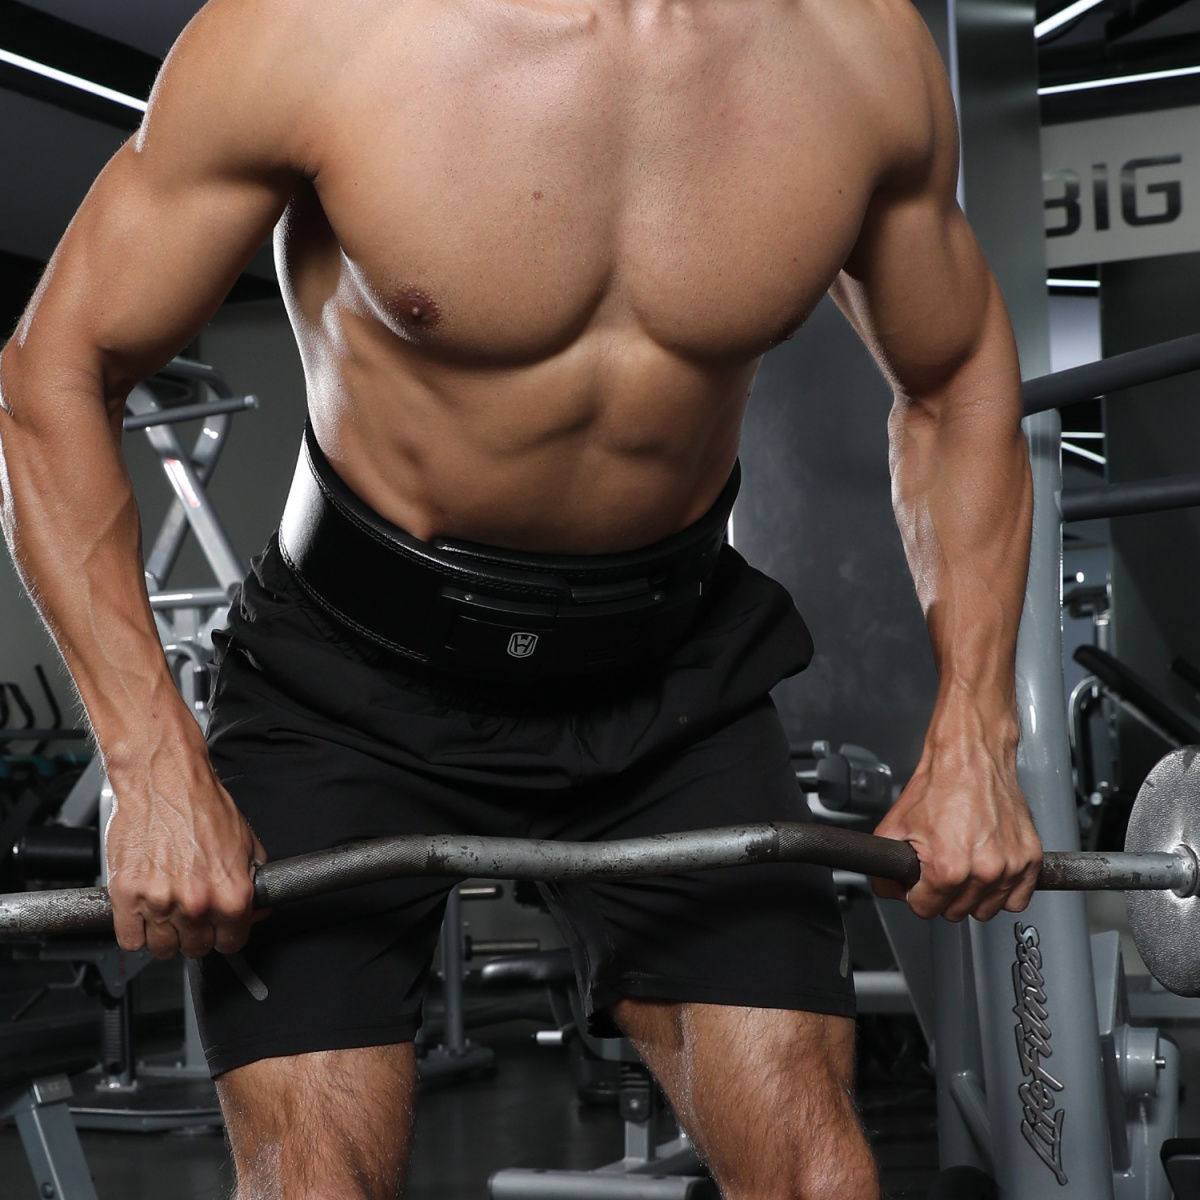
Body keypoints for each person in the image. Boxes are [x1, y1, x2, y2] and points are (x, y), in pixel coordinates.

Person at [0, 0, 1043, 1195]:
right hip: (347, 681)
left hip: (668, 682)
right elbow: (54, 371)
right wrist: (150, 764)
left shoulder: (857, 49)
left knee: (819, 1175)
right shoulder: (312, 32)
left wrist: (978, 732)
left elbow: (957, 378)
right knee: (315, 1177)